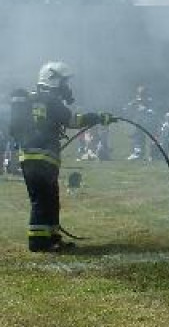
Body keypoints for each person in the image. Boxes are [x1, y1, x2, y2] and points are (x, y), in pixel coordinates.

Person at [9, 62, 113, 252]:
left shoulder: (32, 100)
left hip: (29, 157)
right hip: (44, 157)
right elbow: (74, 120)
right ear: (53, 80)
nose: (66, 87)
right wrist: (98, 117)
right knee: (44, 198)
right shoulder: (51, 101)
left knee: (47, 197)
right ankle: (38, 242)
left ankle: (52, 238)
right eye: (64, 82)